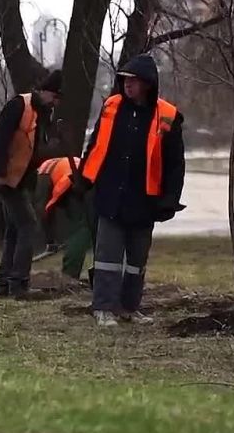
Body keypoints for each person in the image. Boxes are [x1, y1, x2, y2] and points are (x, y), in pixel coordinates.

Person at [80, 54, 186, 327]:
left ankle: (129, 307)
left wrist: (170, 199)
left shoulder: (168, 116)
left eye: (134, 81)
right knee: (107, 257)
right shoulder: (111, 107)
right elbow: (95, 147)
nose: (128, 85)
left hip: (145, 200)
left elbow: (175, 164)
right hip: (111, 196)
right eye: (125, 80)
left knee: (136, 260)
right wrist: (84, 179)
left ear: (148, 84)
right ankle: (103, 307)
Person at [0, 69, 63, 297]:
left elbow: (31, 151)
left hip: (17, 179)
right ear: (45, 91)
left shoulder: (42, 114)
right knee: (28, 226)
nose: (55, 103)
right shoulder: (20, 105)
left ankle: (5, 283)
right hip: (1, 174)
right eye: (54, 98)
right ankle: (19, 283)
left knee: (15, 228)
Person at [37, 156, 90, 280]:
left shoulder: (46, 172)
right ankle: (71, 272)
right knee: (83, 227)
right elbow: (47, 210)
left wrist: (50, 241)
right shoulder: (55, 168)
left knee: (81, 229)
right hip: (83, 181)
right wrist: (51, 240)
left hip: (73, 183)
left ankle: (69, 274)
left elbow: (45, 210)